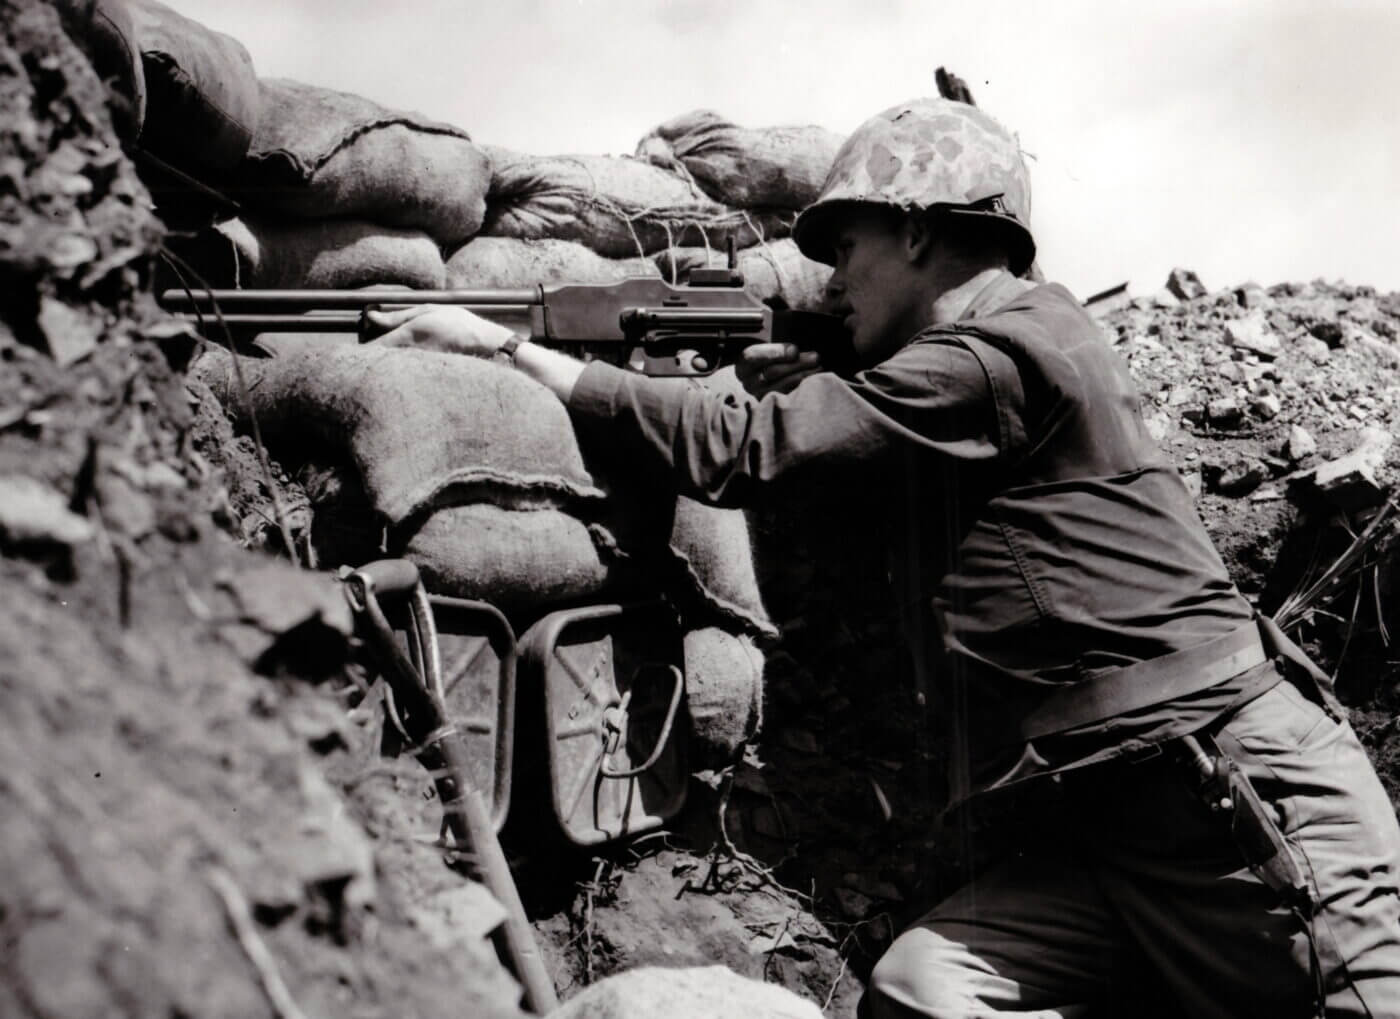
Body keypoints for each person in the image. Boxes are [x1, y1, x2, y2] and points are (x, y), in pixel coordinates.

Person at [370, 98, 1400, 1018]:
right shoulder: (982, 359)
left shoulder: (1006, 348)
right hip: (1101, 825)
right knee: (921, 990)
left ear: (914, 232)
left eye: (847, 245)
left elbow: (748, 451)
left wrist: (512, 351)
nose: (828, 277)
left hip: (1230, 802)